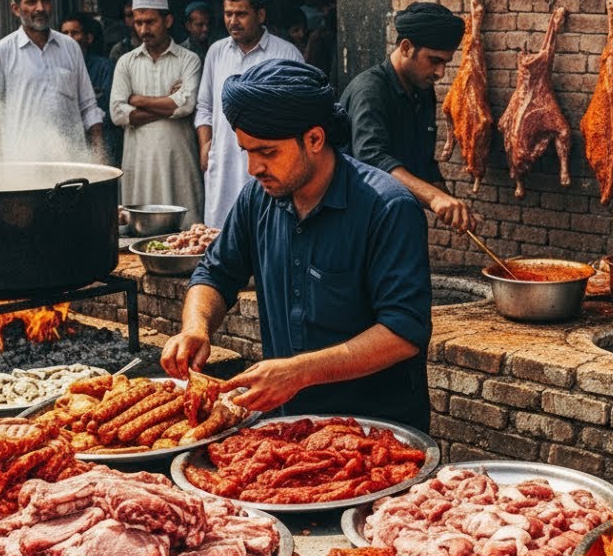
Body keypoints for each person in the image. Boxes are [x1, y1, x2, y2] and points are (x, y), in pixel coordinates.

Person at [162, 58, 432, 430]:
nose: (253, 168)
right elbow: (215, 273)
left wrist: (300, 373)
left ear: (315, 139)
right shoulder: (256, 199)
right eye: (247, 151)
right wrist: (196, 327)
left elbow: (403, 332)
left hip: (378, 431)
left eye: (267, 152)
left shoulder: (387, 208)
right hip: (287, 424)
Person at [340, 2, 474, 231]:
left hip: (401, 219)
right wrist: (433, 197)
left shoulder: (423, 91)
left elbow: (424, 165)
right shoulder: (370, 90)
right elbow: (372, 160)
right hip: (359, 223)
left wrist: (453, 207)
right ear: (406, 47)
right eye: (434, 60)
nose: (441, 73)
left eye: (445, 62)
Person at [195, 0, 303, 228]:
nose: (233, 21)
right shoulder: (216, 52)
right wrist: (205, 144)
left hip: (270, 164)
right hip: (222, 161)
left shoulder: (286, 54)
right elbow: (204, 107)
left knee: (266, 230)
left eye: (241, 14)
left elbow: (300, 114)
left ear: (260, 14)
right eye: (228, 14)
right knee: (221, 234)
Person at [0, 0, 104, 162]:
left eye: (45, 0)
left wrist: (99, 156)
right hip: (24, 167)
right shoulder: (1, 52)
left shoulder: (70, 47)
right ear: (16, 9)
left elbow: (89, 106)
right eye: (31, 2)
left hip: (71, 161)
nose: (40, 8)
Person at [110, 0, 203, 220]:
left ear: (168, 21)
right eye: (138, 22)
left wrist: (137, 100)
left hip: (178, 159)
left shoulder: (189, 59)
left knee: (186, 230)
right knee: (140, 226)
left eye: (150, 22)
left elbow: (187, 104)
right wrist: (168, 105)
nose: (143, 30)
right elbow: (117, 113)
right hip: (139, 160)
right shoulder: (126, 62)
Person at [62, 12, 119, 165]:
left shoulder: (104, 67)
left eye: (75, 32)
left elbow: (110, 109)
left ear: (88, 38)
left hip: (101, 142)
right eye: (64, 33)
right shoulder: (57, 69)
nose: (69, 38)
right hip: (68, 145)